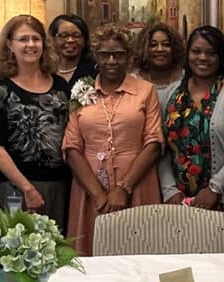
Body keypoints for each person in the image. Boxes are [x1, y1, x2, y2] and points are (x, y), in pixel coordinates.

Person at [62, 23, 163, 256]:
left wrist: (123, 188)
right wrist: (98, 194)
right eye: (105, 54)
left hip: (136, 182)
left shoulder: (145, 90)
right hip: (89, 188)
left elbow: (154, 142)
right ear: (96, 55)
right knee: (92, 256)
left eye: (118, 54)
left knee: (139, 253)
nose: (111, 61)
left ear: (128, 56)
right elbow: (72, 146)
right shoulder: (81, 91)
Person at [158, 26, 224, 251]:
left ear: (221, 55)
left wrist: (215, 188)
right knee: (184, 268)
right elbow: (163, 147)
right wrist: (169, 190)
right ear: (187, 54)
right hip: (180, 203)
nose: (202, 57)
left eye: (211, 52)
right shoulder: (171, 93)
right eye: (196, 51)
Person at [0, 15, 72, 229]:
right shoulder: (1, 89)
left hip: (60, 186)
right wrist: (27, 189)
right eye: (23, 39)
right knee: (19, 253)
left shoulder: (61, 85)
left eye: (36, 39)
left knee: (58, 252)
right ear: (9, 44)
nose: (31, 45)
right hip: (17, 188)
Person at [134, 22, 186, 111]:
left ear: (175, 48)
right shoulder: (133, 82)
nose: (160, 49)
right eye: (153, 45)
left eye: (166, 44)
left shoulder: (186, 79)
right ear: (143, 48)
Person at [48, 14, 97, 87]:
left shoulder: (95, 70)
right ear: (53, 39)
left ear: (85, 39)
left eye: (76, 35)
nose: (70, 40)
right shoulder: (45, 70)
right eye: (64, 35)